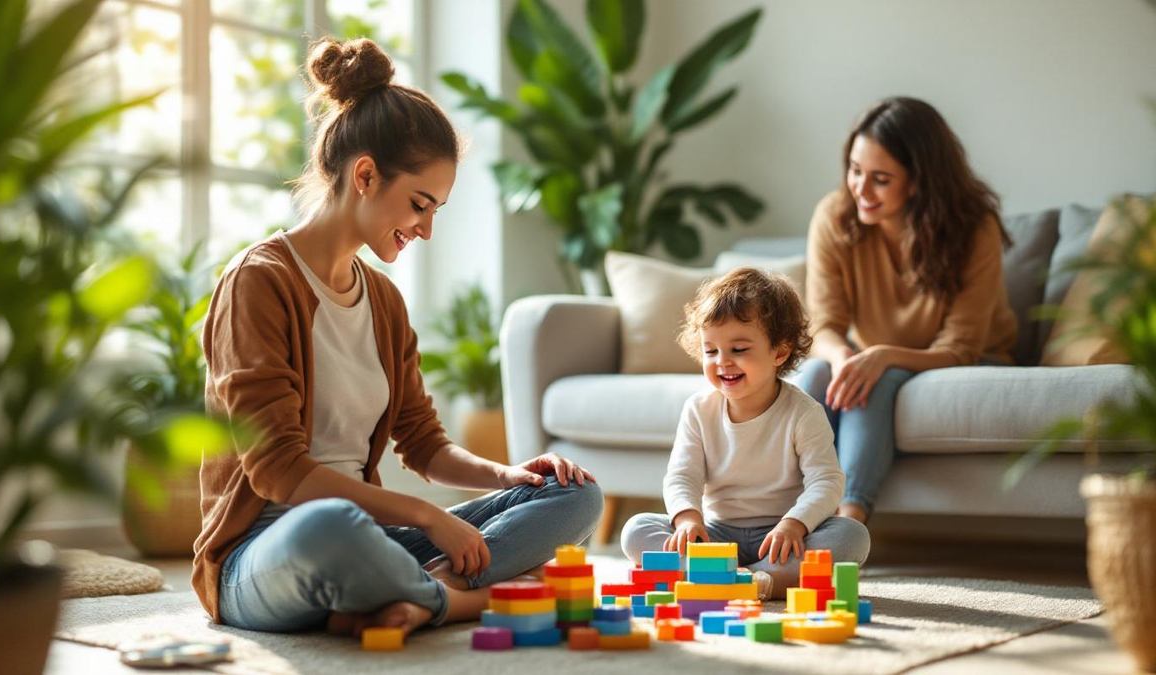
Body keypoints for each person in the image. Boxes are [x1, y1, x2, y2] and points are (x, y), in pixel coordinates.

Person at [191, 37, 602, 640]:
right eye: (419, 204)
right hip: (267, 552)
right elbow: (279, 473)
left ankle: (412, 593)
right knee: (329, 527)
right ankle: (456, 600)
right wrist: (428, 518)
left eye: (436, 210)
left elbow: (423, 443)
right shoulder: (260, 282)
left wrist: (508, 476)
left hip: (370, 536)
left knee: (577, 497)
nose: (427, 229)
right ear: (364, 175)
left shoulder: (382, 300)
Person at [794, 97, 1017, 524]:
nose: (860, 188)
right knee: (818, 373)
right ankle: (787, 515)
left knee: (873, 380)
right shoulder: (834, 216)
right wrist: (844, 356)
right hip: (873, 353)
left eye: (880, 179)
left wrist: (881, 355)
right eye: (855, 171)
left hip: (965, 360)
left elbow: (961, 347)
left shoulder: (974, 227)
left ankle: (849, 523)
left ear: (920, 182)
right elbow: (824, 325)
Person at [620, 268, 870, 598]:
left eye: (738, 349)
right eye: (711, 351)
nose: (723, 362)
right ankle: (745, 578)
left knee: (852, 536)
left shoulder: (804, 412)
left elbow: (827, 481)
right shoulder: (699, 410)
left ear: (779, 352)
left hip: (782, 538)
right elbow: (682, 475)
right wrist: (687, 519)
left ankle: (746, 580)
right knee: (636, 530)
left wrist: (795, 524)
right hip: (714, 537)